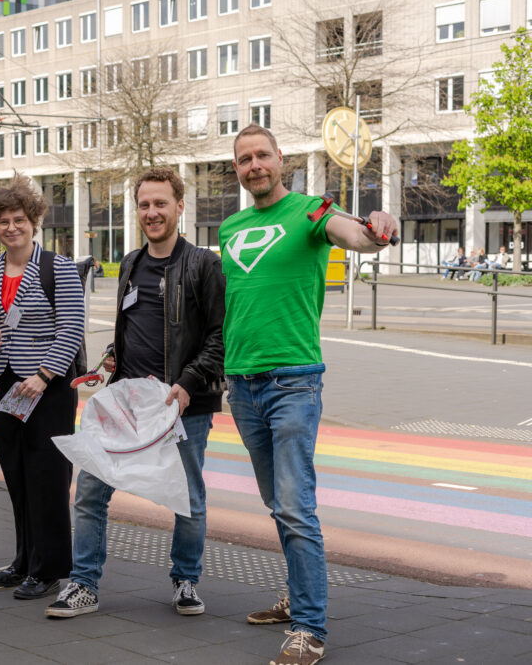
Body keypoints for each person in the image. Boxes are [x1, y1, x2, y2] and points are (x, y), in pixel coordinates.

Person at [220, 124, 398, 665]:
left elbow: (356, 234)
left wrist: (378, 229)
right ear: (237, 170)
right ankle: (298, 594)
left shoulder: (311, 210)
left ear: (282, 160)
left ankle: (310, 628)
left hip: (292, 382)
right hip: (241, 384)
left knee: (296, 507)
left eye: (263, 156)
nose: (255, 165)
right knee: (278, 503)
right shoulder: (230, 226)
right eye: (244, 159)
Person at [46, 167, 226, 619]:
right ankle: (84, 584)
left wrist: (187, 383)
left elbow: (222, 337)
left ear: (180, 206)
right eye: (144, 205)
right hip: (126, 404)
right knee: (90, 490)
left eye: (160, 203)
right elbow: (133, 329)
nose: (152, 213)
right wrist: (110, 359)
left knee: (187, 497)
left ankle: (186, 580)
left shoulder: (204, 264)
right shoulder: (130, 262)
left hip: (182, 404)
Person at [0, 175, 85, 600]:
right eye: (2, 221)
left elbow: (72, 328)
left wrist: (45, 374)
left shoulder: (59, 268)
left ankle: (49, 567)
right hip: (2, 383)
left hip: (46, 387)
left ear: (34, 222)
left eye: (18, 219)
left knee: (47, 475)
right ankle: (24, 560)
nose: (10, 227)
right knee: (15, 473)